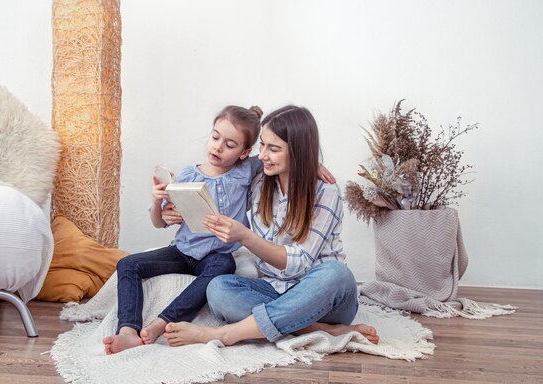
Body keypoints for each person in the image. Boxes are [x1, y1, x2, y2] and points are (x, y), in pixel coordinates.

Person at [163, 105, 379, 347]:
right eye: (262, 145)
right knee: (218, 288)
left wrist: (244, 236)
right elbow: (222, 180)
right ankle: (317, 329)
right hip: (275, 289)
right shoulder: (258, 182)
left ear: (298, 152)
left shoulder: (325, 191)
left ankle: (227, 334)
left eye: (273, 149)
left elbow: (299, 263)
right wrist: (172, 208)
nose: (263, 155)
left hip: (323, 297)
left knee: (337, 274)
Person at [102, 105, 263, 354]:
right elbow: (159, 222)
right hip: (182, 250)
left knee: (224, 266)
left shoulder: (246, 170)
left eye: (230, 145)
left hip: (216, 255)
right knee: (127, 264)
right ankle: (127, 330)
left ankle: (161, 323)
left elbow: (280, 160)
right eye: (215, 137)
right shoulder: (188, 175)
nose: (218, 147)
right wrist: (157, 202)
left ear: (245, 152)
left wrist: (314, 167)